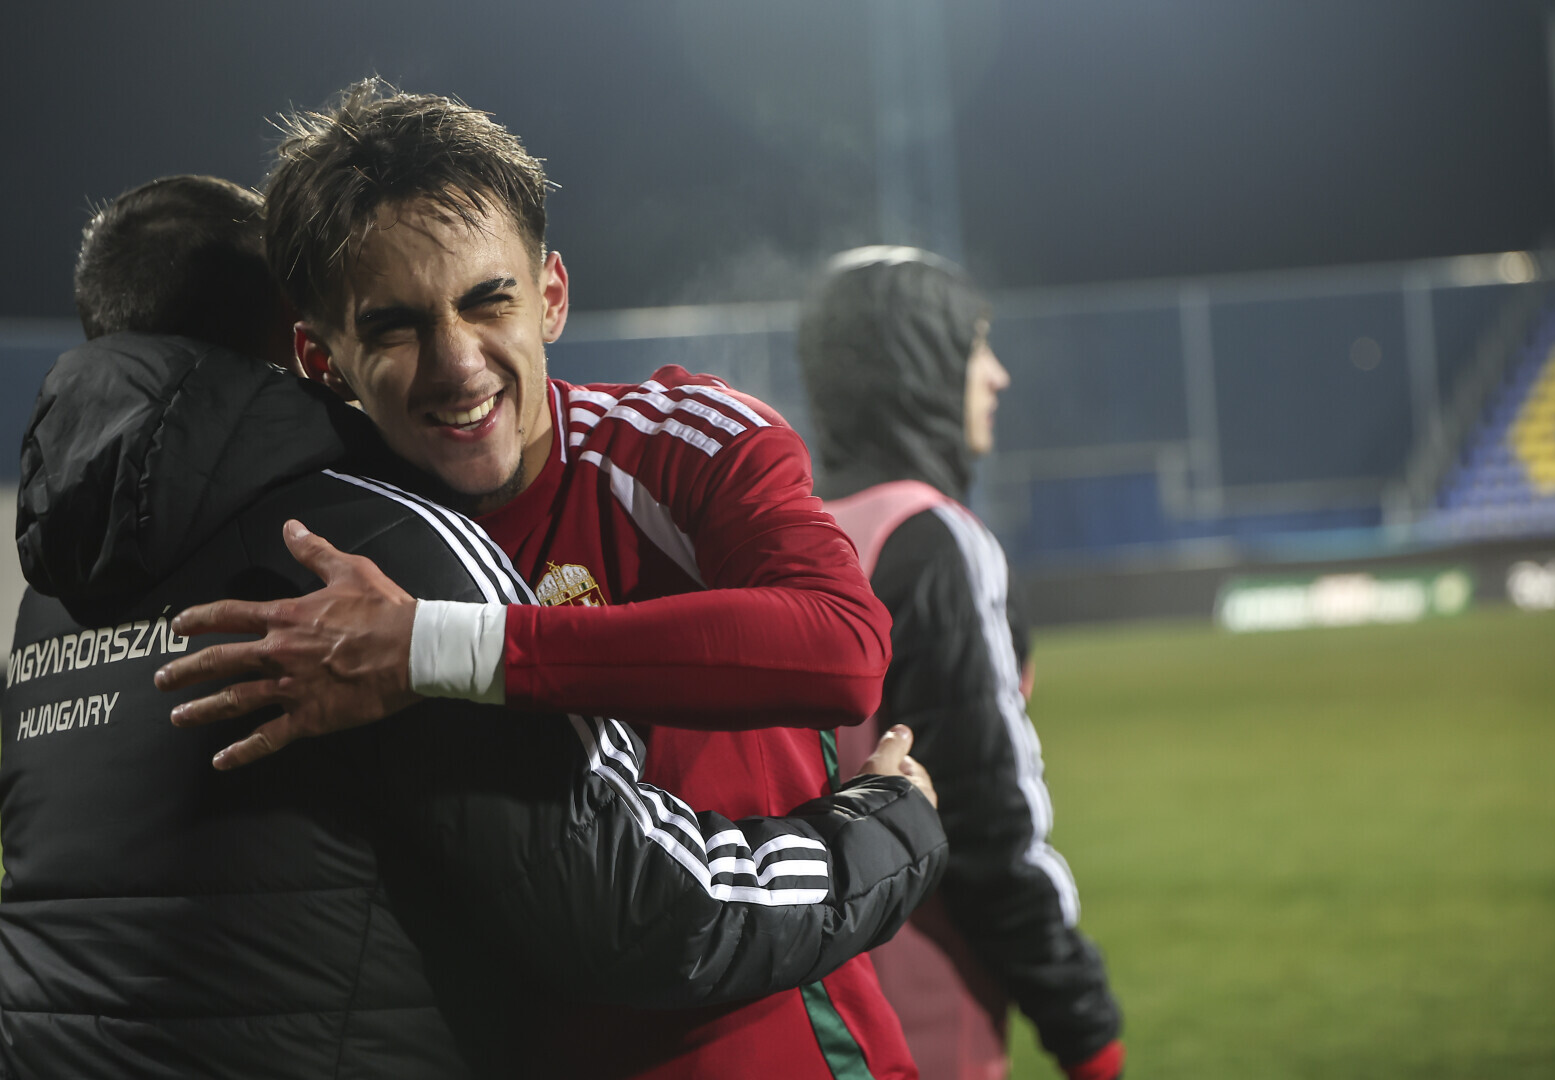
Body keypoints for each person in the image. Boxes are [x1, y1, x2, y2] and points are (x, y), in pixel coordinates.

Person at [0, 176, 947, 1078]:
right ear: (314, 353)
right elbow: (635, 911)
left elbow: (841, 648)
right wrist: (887, 829)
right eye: (393, 324)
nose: (456, 361)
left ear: (551, 297)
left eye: (487, 302)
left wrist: (440, 646)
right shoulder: (361, 546)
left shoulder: (55, 598)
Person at [798, 247, 1126, 1080]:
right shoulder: (933, 541)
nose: (997, 375)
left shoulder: (795, 533)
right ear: (922, 364)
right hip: (925, 1019)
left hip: (808, 1013)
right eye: (976, 344)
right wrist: (1083, 1019)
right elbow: (982, 820)